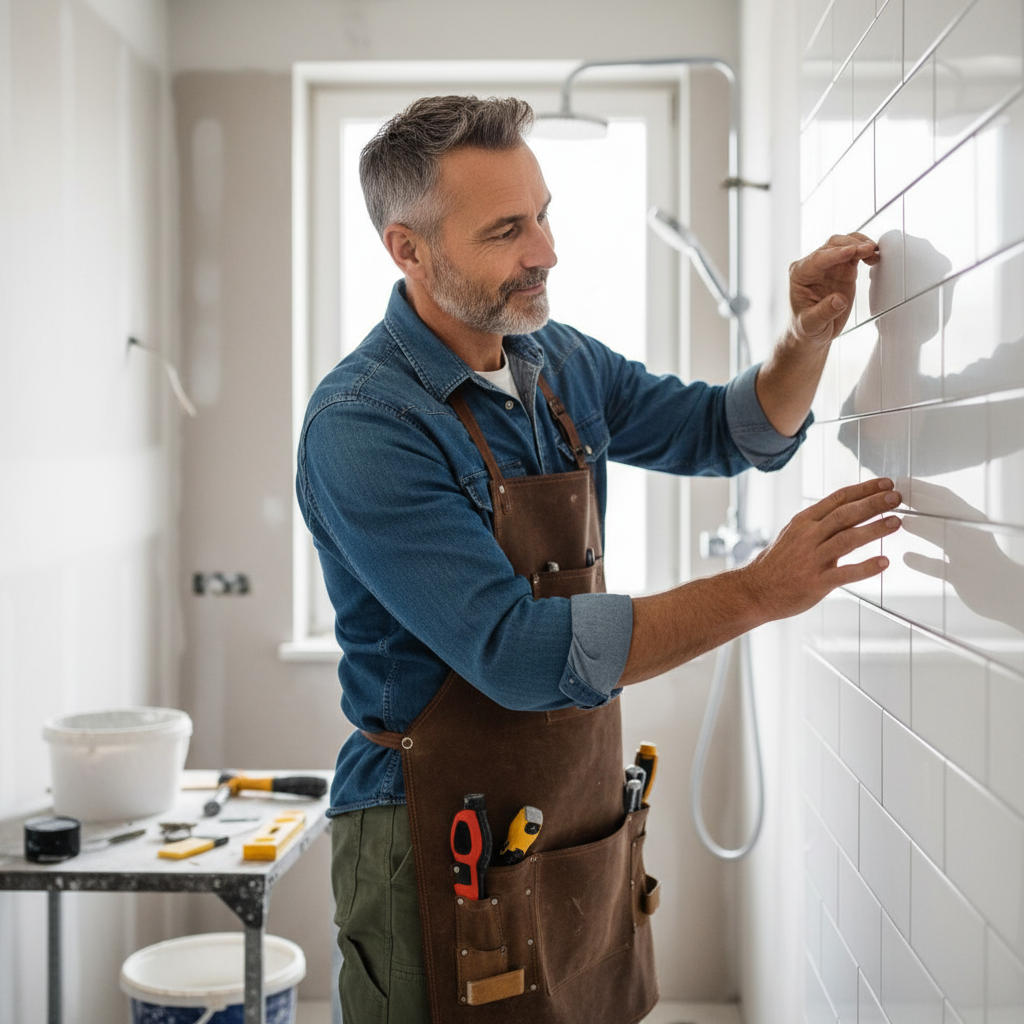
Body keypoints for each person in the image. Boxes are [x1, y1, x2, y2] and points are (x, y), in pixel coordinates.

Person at [296, 94, 900, 1024]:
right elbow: (520, 653)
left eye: (543, 215)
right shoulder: (365, 425)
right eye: (506, 230)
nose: (544, 251)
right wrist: (759, 591)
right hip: (428, 828)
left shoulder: (556, 362)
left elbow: (724, 429)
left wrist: (807, 337)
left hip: (566, 806)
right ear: (407, 250)